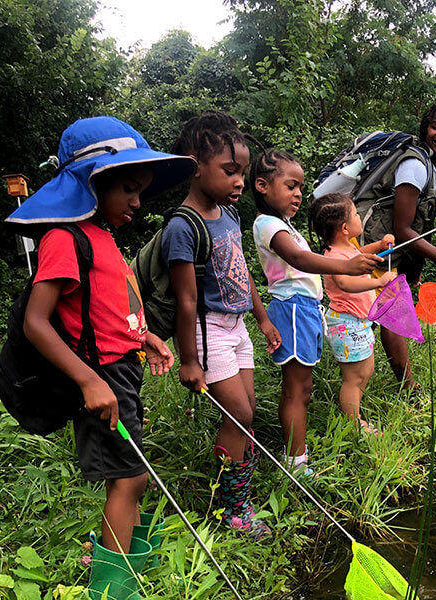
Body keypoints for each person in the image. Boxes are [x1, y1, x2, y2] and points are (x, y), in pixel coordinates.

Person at [6, 116, 196, 556]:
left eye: (142, 190)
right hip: (102, 377)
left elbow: (107, 307)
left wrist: (144, 336)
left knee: (135, 474)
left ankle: (127, 557)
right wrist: (89, 381)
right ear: (90, 183)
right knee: (129, 477)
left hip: (123, 372)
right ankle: (113, 581)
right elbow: (37, 322)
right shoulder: (64, 238)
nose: (138, 201)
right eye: (128, 187)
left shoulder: (103, 237)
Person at [163, 111, 280, 539]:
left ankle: (236, 487)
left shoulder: (228, 216)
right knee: (239, 411)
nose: (239, 182)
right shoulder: (182, 226)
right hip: (207, 330)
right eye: (230, 171)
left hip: (238, 326)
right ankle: (234, 510)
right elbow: (186, 298)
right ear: (196, 167)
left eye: (242, 173)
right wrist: (189, 361)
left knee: (246, 414)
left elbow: (243, 271)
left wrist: (262, 317)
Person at [250, 149, 382, 474]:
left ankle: (297, 455)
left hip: (306, 310)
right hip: (293, 310)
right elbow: (299, 260)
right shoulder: (268, 224)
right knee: (297, 389)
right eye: (290, 185)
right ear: (262, 186)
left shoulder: (285, 225)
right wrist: (347, 266)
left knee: (303, 388)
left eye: (300, 187)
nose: (297, 194)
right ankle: (296, 463)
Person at [360, 102, 436, 391]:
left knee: (383, 317)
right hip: (374, 249)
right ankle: (407, 392)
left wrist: (415, 269)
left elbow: (411, 228)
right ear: (425, 129)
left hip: (389, 251)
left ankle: (401, 389)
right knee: (389, 317)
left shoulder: (431, 167)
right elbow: (402, 230)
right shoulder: (415, 165)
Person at [308, 192, 396, 434]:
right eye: (357, 214)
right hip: (347, 324)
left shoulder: (346, 248)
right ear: (345, 228)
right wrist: (378, 283)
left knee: (364, 371)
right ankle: (353, 425)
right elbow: (346, 283)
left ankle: (354, 415)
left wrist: (379, 246)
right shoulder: (333, 257)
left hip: (357, 322)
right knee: (353, 378)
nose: (360, 217)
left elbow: (359, 256)